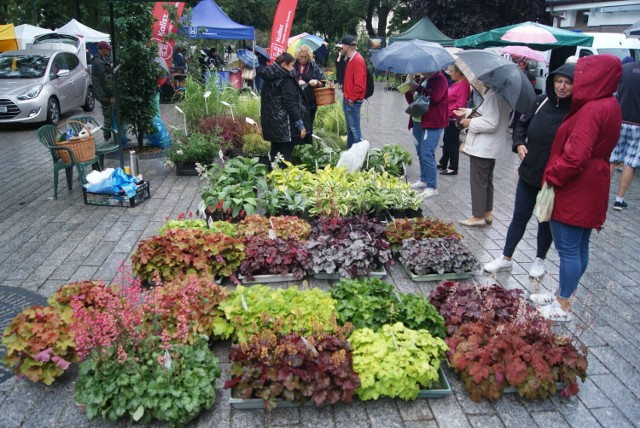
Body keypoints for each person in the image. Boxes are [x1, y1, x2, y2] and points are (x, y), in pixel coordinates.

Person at [534, 55, 622, 322]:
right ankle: (564, 292)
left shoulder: (591, 109)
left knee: (569, 248)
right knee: (580, 246)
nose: (577, 81)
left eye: (582, 76)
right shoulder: (610, 104)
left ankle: (562, 305)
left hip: (576, 187)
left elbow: (575, 157)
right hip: (593, 182)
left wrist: (552, 174)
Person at [484, 63, 575, 277]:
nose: (562, 87)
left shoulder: (575, 112)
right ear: (552, 83)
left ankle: (539, 260)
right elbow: (520, 126)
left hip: (553, 177)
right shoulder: (540, 102)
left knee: (545, 219)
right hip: (529, 172)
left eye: (568, 83)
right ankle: (506, 257)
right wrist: (519, 144)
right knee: (519, 216)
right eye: (558, 82)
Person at [454, 83, 512, 227]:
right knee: (486, 180)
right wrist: (468, 112)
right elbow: (488, 114)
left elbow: (491, 123)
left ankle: (478, 216)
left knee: (479, 181)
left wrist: (469, 122)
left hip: (484, 146)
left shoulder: (493, 95)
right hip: (490, 147)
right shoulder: (502, 94)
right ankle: (487, 212)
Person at [259, 52, 309, 163]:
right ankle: (283, 179)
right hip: (285, 125)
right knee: (285, 158)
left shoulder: (268, 78)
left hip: (272, 124)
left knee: (274, 154)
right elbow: (290, 104)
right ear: (284, 64)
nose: (292, 68)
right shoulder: (286, 80)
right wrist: (300, 125)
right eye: (291, 65)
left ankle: (272, 177)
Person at [405, 71, 448, 197]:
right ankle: (424, 180)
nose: (420, 69)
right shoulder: (424, 79)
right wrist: (408, 90)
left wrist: (418, 88)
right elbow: (414, 101)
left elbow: (435, 97)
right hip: (417, 121)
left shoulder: (440, 79)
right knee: (420, 152)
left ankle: (432, 186)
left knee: (427, 153)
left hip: (432, 122)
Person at [609, 59, 640, 211]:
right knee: (630, 162)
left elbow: (614, 91)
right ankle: (619, 200)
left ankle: (602, 193)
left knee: (611, 159)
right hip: (638, 124)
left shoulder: (625, 68)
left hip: (619, 118)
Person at [438, 64, 470, 176]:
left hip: (454, 117)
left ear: (459, 72)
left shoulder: (463, 84)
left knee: (452, 143)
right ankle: (443, 162)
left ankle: (453, 167)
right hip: (448, 116)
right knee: (447, 140)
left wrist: (447, 109)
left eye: (451, 71)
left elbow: (460, 104)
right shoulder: (456, 83)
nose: (450, 73)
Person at [293, 45, 324, 145]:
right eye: (301, 57)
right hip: (295, 100)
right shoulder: (292, 65)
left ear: (309, 57)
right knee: (296, 124)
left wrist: (317, 82)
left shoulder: (313, 66)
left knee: (308, 125)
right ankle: (296, 146)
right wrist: (297, 81)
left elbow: (323, 81)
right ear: (297, 56)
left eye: (305, 57)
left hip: (310, 101)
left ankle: (307, 147)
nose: (303, 59)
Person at [340, 35, 367, 149]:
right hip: (348, 98)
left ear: (347, 46)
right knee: (350, 129)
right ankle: (350, 153)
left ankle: (359, 156)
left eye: (342, 45)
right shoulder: (350, 59)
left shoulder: (357, 60)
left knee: (355, 130)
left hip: (352, 101)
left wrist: (352, 99)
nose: (341, 47)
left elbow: (359, 85)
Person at [91, 41, 114, 141]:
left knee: (108, 113)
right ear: (103, 50)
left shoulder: (101, 59)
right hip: (103, 93)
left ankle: (109, 135)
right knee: (108, 114)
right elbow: (105, 81)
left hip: (103, 92)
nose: (109, 50)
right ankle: (107, 137)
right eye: (108, 49)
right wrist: (111, 95)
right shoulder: (98, 62)